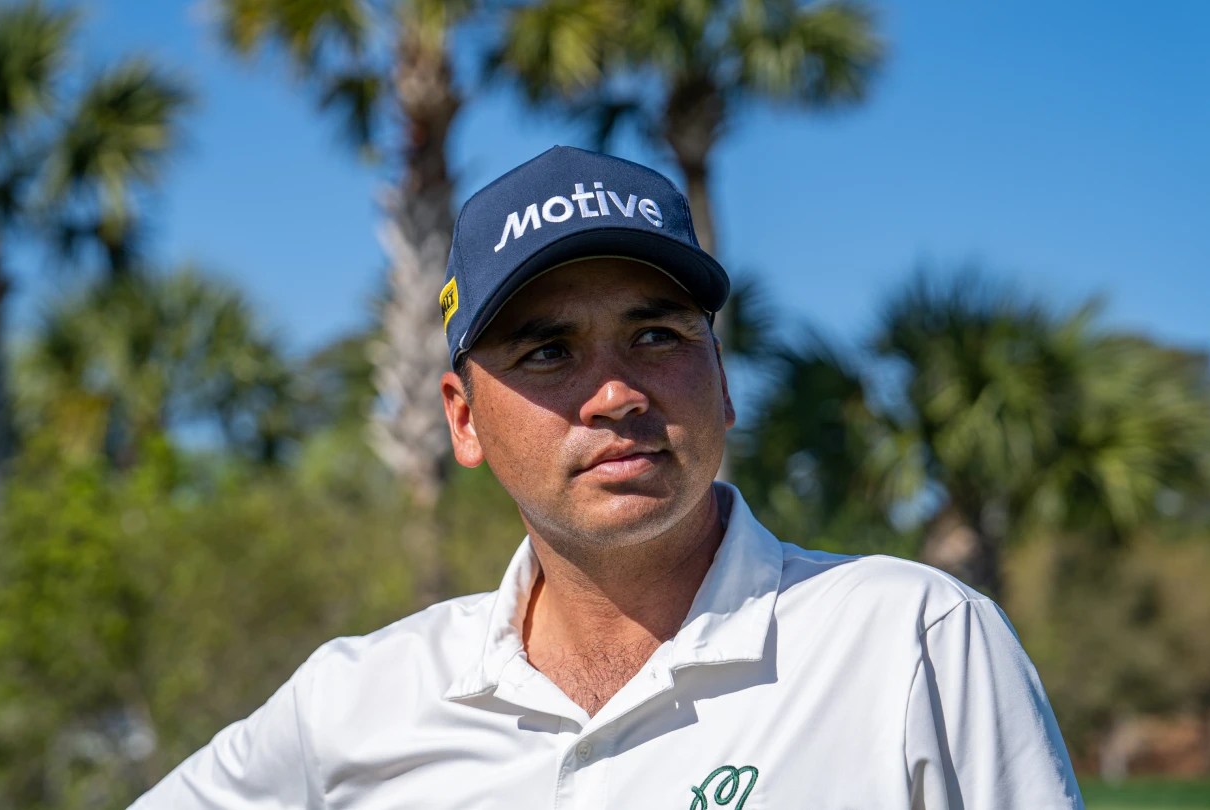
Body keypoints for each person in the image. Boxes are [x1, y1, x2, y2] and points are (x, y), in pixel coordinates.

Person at [130, 146, 1083, 808]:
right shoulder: (355, 702)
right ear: (463, 420)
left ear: (722, 382)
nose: (618, 393)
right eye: (548, 352)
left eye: (657, 336)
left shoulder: (910, 640)